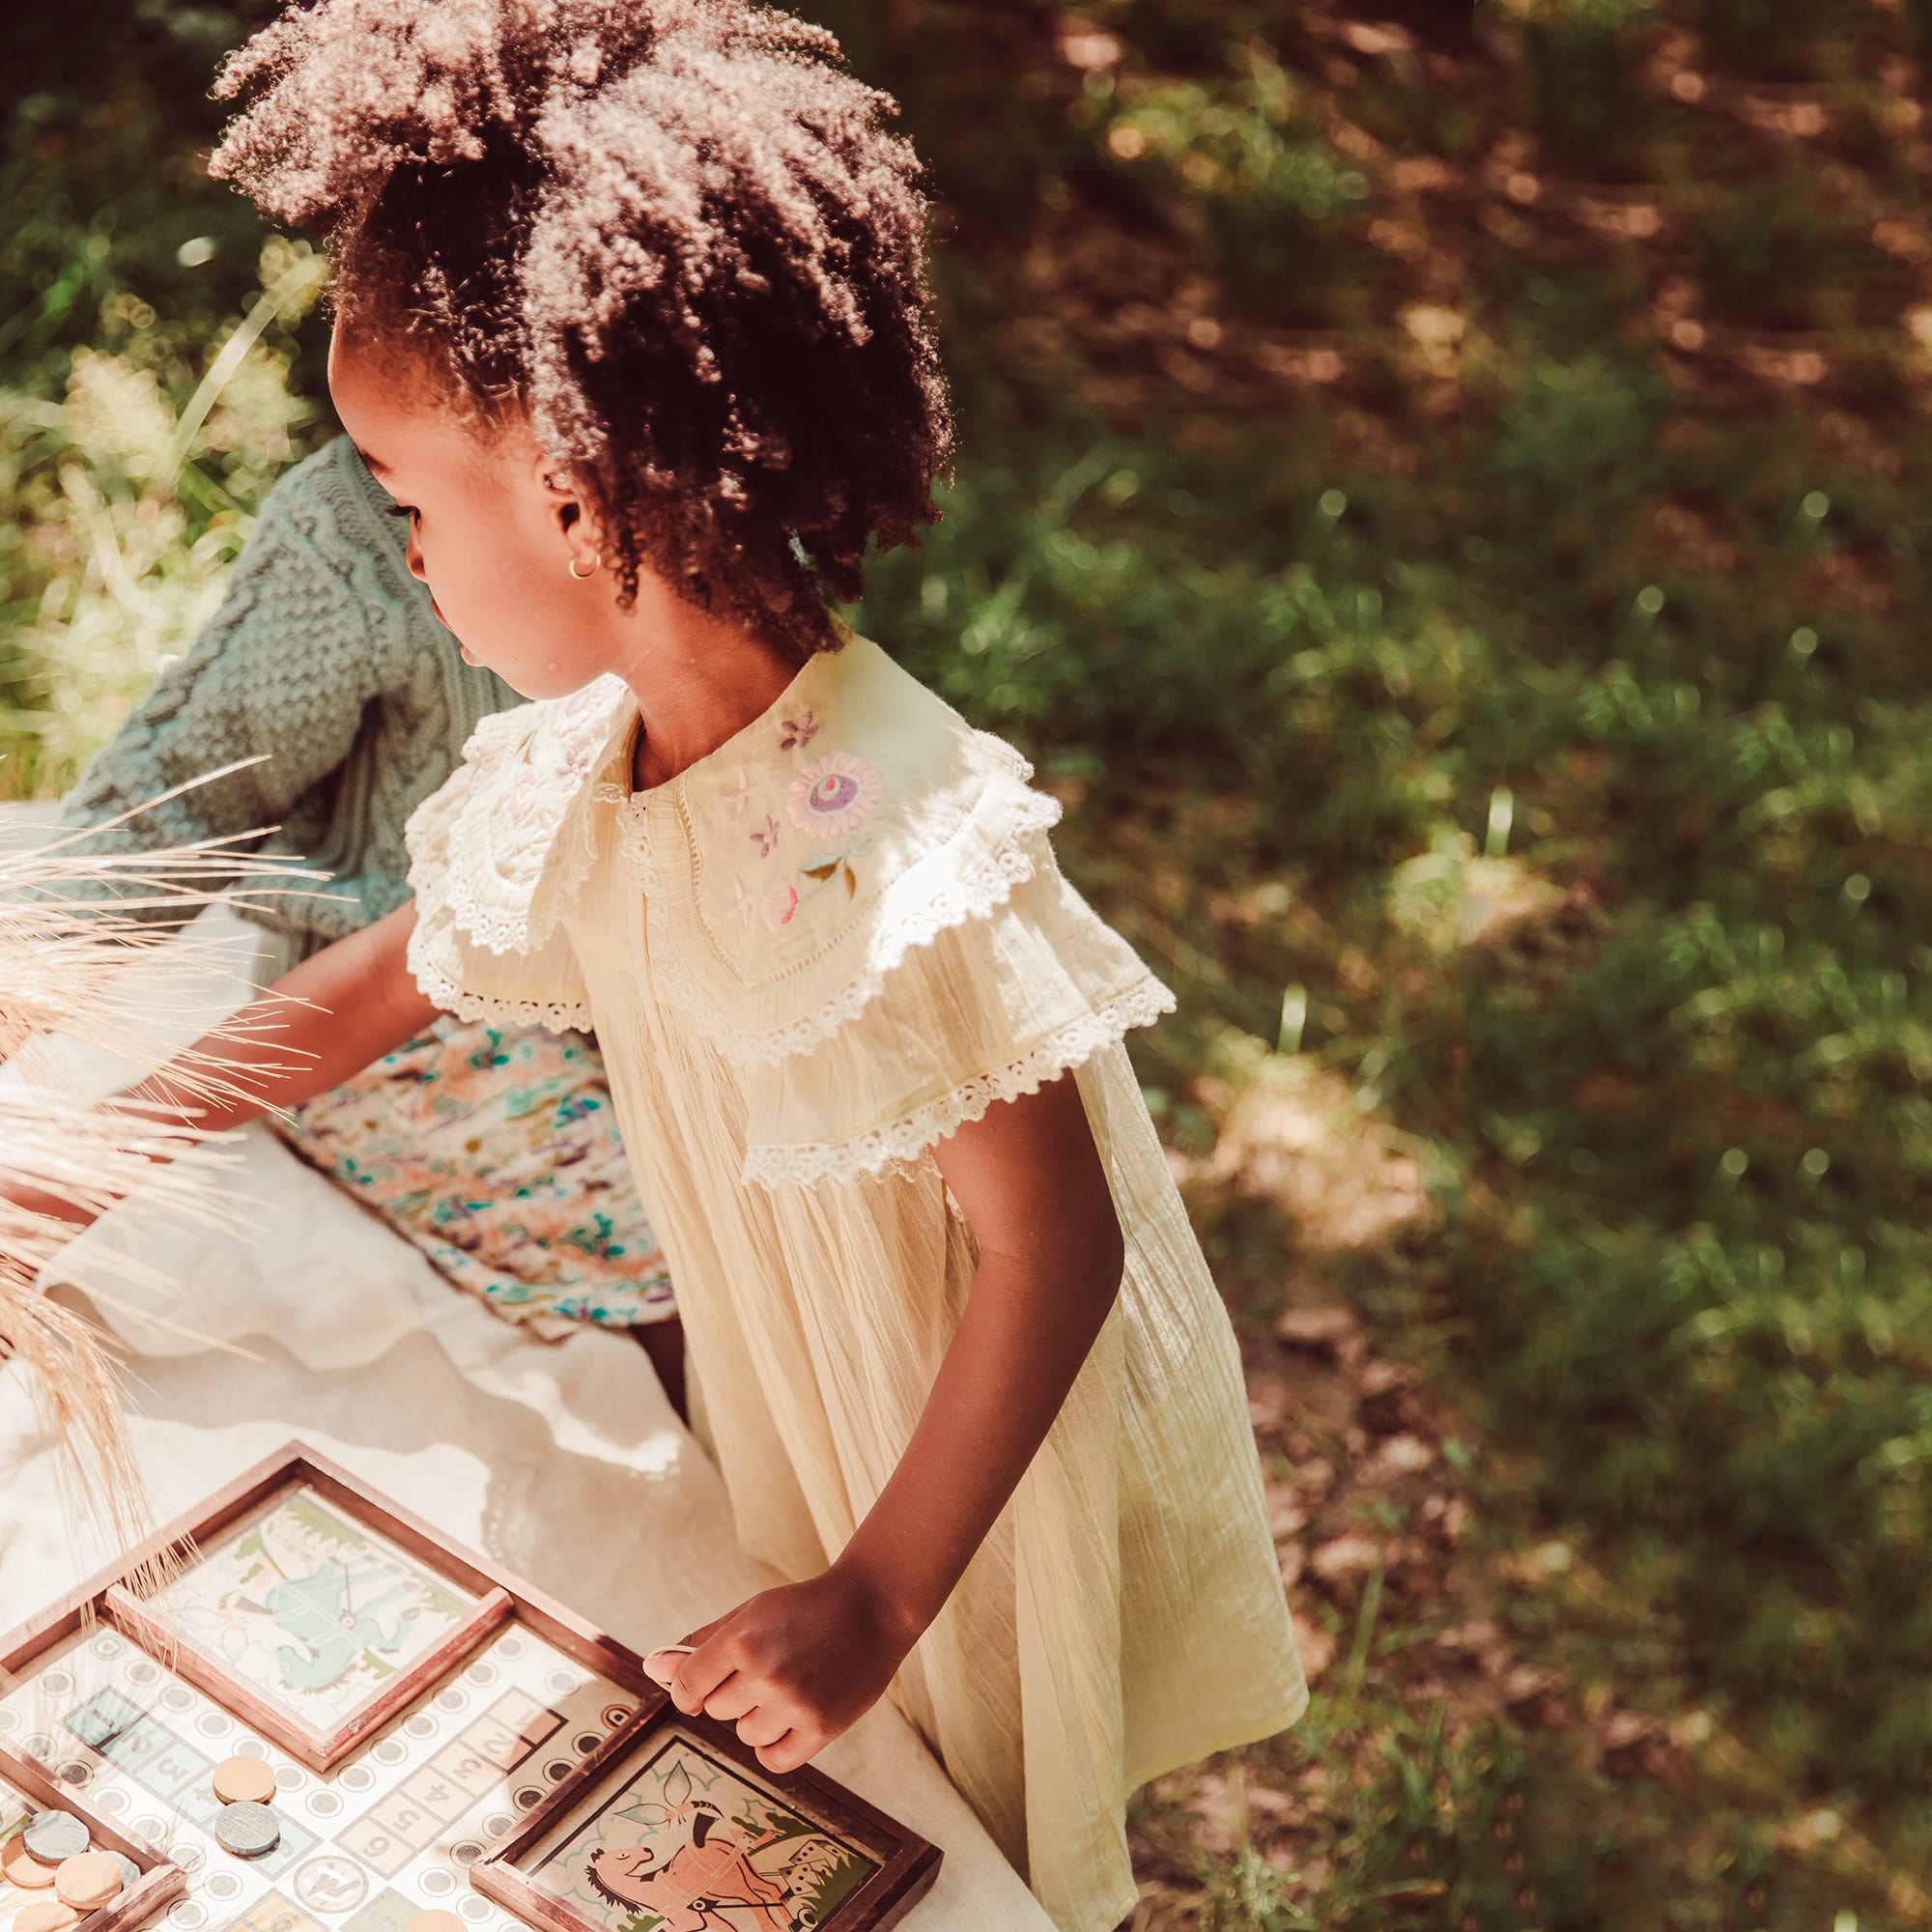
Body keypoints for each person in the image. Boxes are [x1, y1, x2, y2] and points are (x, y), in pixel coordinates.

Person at [35, 1, 1306, 1923]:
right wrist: (73, 1157)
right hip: (810, 1389)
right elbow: (386, 979)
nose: (409, 569)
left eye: (406, 511)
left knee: (969, 1778)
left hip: (967, 1429)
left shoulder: (886, 840)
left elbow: (1059, 1247)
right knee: (837, 1743)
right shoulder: (594, 763)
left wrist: (880, 1595)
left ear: (569, 486)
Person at [41, 433, 683, 1389]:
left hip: (639, 991)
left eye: (420, 503)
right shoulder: (344, 532)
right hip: (399, 1015)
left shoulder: (707, 534)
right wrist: (33, 984)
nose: (412, 548)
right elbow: (180, 798)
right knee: (672, 1249)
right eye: (397, 502)